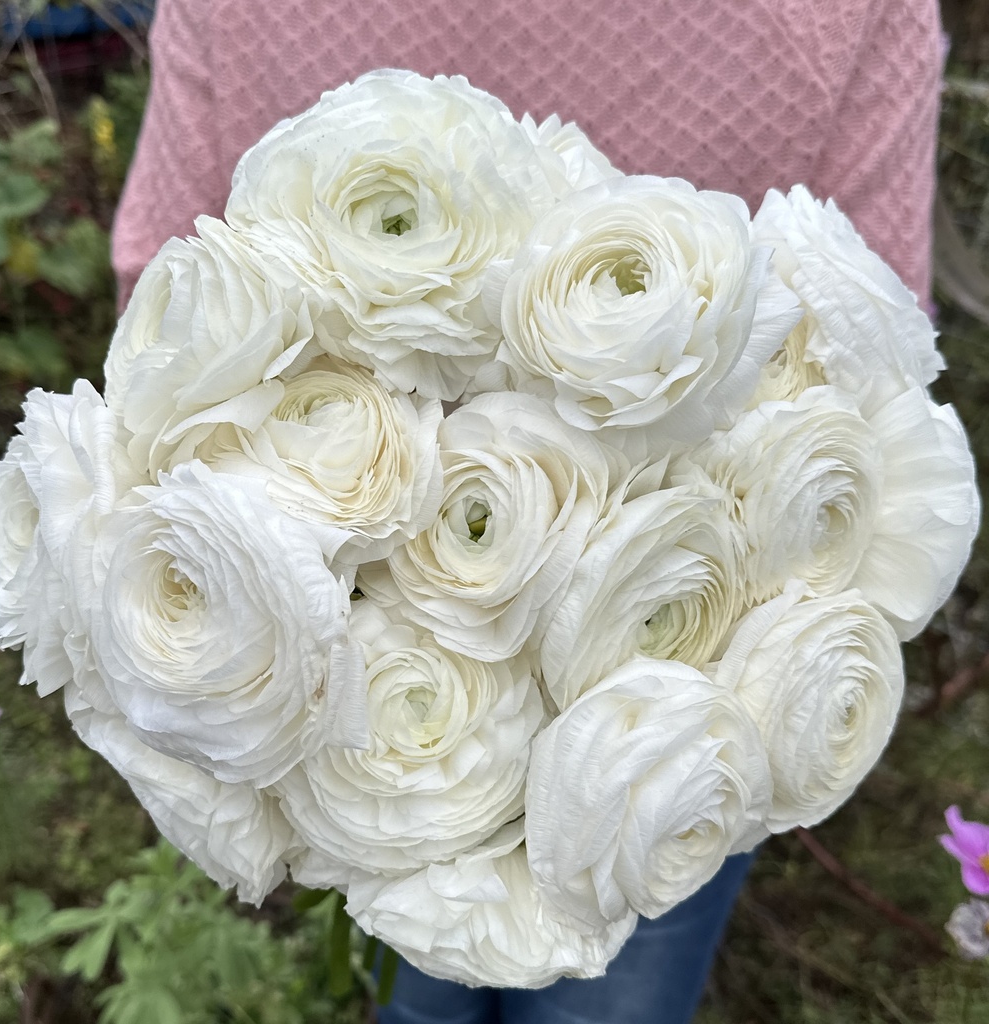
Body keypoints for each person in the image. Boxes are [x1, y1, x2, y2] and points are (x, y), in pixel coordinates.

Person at [111, 1, 943, 1021]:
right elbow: (877, 345)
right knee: (601, 972)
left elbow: (157, 296)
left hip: (502, 708)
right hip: (672, 692)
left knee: (428, 974)